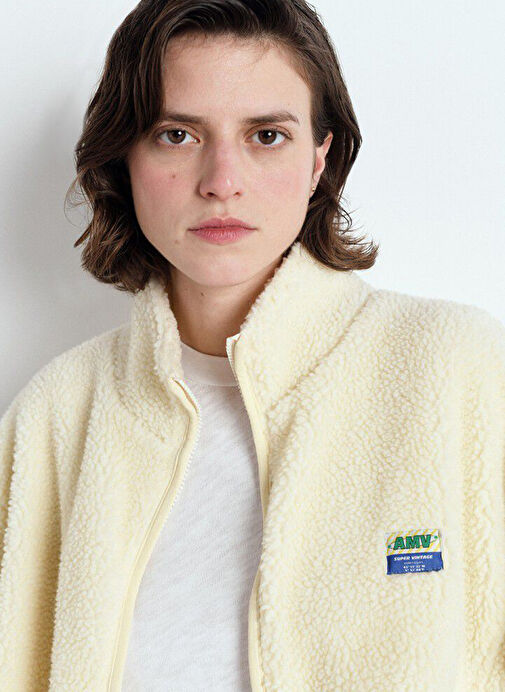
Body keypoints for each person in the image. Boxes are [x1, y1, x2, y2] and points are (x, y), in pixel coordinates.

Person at [1, 0, 504, 690]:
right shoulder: (57, 416)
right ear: (125, 157)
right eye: (177, 134)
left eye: (266, 135)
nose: (222, 181)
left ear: (319, 159)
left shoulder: (458, 369)